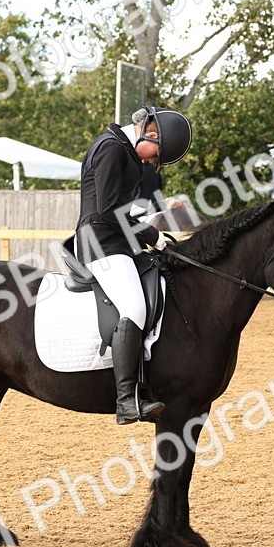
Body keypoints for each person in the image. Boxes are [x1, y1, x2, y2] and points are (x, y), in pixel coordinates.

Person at [74, 106, 192, 424]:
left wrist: (154, 234)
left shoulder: (124, 150)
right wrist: (153, 235)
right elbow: (109, 209)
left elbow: (125, 212)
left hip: (119, 242)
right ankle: (126, 399)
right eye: (157, 156)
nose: (153, 163)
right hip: (100, 243)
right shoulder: (111, 148)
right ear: (151, 134)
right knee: (134, 307)